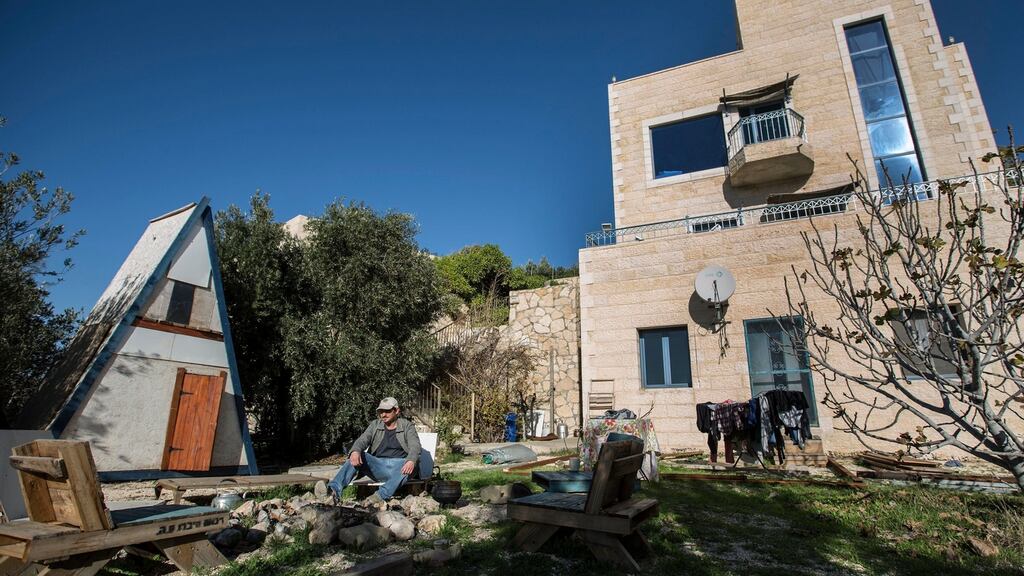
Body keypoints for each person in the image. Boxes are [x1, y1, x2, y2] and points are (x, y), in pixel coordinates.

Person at [323, 397, 421, 505]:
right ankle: (333, 492)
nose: (383, 415)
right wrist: (355, 451)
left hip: (399, 466)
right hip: (378, 466)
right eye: (381, 411)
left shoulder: (407, 426)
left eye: (387, 411)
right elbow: (363, 440)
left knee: (412, 464)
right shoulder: (375, 425)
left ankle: (378, 497)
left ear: (397, 411)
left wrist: (411, 460)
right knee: (356, 455)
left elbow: (415, 445)